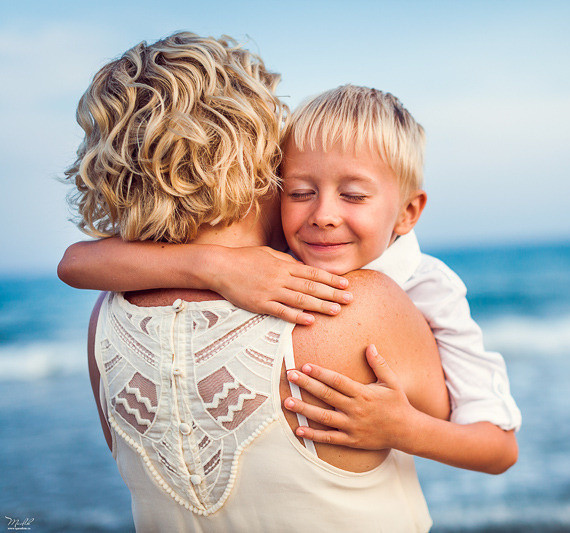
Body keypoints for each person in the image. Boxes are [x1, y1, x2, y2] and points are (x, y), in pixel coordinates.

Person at [62, 31, 449, 532]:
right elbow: (449, 417)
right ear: (257, 159)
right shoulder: (355, 303)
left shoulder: (106, 319)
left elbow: (73, 262)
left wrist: (203, 264)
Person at [61, 85, 521, 474]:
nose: (322, 216)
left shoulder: (428, 287)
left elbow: (498, 448)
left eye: (353, 195)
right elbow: (77, 264)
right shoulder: (280, 251)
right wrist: (214, 266)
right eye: (300, 192)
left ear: (407, 212)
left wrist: (401, 428)